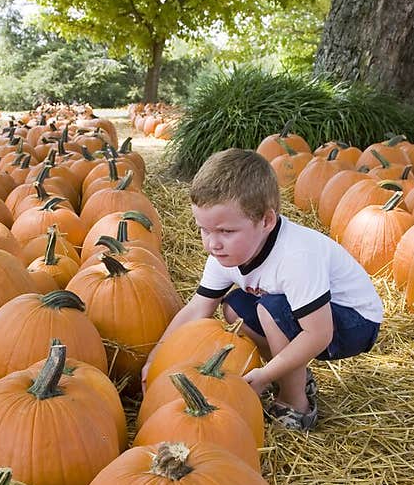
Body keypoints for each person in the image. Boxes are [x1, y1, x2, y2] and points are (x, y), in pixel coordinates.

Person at [140, 149, 384, 432]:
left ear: (267, 221)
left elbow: (320, 333)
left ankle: (296, 403)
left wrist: (265, 375)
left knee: (270, 310)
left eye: (226, 231)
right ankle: (295, 373)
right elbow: (198, 308)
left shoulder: (296, 256)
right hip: (306, 316)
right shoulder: (224, 254)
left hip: (353, 322)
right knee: (234, 307)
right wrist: (155, 357)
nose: (212, 244)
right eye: (204, 230)